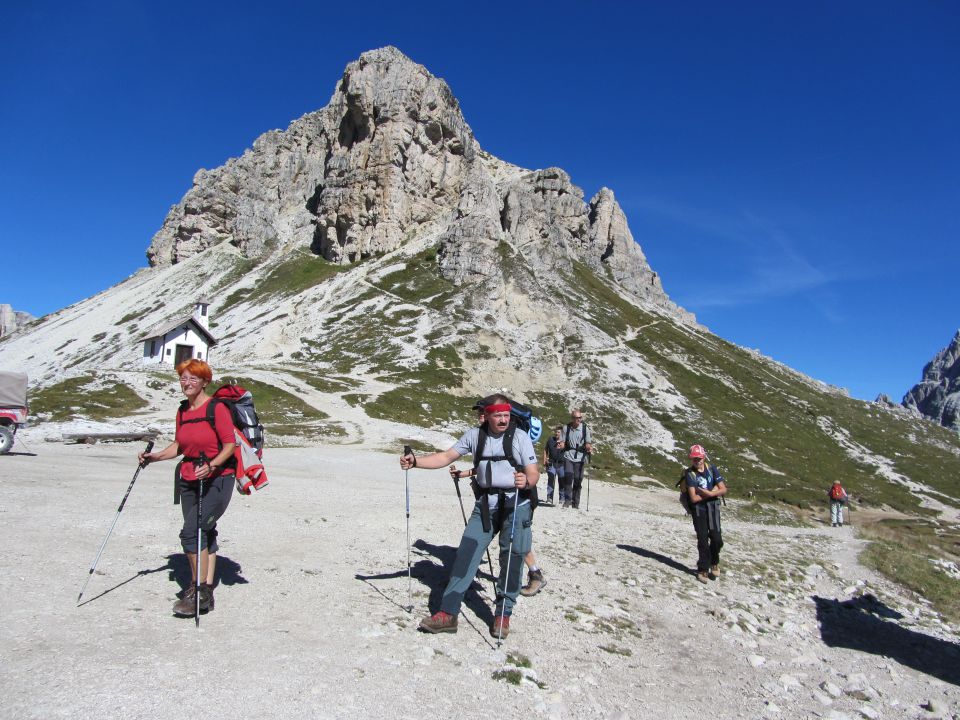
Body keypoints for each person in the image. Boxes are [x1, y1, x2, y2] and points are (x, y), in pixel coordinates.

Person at [401, 394, 538, 638]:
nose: (504, 420)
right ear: (487, 415)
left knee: (512, 557)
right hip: (486, 505)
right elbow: (445, 457)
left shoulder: (520, 437)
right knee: (466, 554)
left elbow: (533, 473)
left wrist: (526, 481)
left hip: (516, 504)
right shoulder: (475, 436)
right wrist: (416, 462)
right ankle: (448, 614)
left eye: (506, 415)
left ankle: (502, 615)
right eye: (498, 415)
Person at [139, 359, 236, 616]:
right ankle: (206, 593)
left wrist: (213, 466)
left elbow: (229, 445)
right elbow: (179, 446)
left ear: (205, 381)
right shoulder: (183, 411)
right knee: (204, 531)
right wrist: (156, 457)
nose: (187, 383)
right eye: (184, 377)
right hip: (189, 477)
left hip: (218, 478)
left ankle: (197, 588)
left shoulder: (217, 409)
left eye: (194, 378)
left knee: (191, 532)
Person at [683, 444, 727, 584]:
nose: (697, 461)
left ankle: (714, 561)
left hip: (713, 508)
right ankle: (702, 569)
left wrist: (707, 493)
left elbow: (723, 489)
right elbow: (694, 498)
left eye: (699, 458)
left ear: (703, 456)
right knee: (702, 540)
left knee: (717, 539)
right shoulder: (690, 474)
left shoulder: (712, 469)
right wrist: (712, 493)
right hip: (699, 510)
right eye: (694, 459)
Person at [562, 409, 592, 509]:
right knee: (568, 477)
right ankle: (567, 500)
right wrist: (561, 445)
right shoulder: (566, 428)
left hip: (580, 457)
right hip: (568, 456)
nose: (578, 420)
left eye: (580, 418)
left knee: (578, 480)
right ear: (572, 418)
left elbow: (588, 443)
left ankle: (576, 503)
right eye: (576, 418)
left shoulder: (585, 429)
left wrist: (588, 447)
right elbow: (562, 442)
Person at [543, 425, 566, 505]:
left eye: (559, 432)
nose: (557, 433)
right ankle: (549, 497)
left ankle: (562, 498)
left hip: (561, 464)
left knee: (562, 481)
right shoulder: (551, 440)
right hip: (552, 463)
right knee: (551, 479)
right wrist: (544, 460)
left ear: (562, 433)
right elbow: (545, 450)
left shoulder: (565, 442)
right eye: (556, 432)